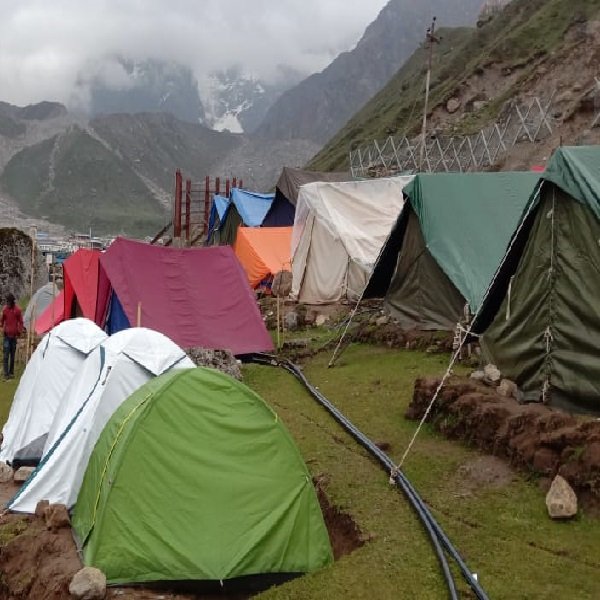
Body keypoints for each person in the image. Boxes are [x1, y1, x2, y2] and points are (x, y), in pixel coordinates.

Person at [1, 294, 24, 380]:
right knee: (6, 355)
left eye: (8, 301)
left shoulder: (17, 310)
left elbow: (21, 322)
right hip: (6, 336)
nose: (7, 303)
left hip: (14, 336)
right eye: (6, 301)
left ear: (12, 301)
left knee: (12, 356)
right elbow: (2, 321)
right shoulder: (5, 310)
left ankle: (11, 373)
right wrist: (1, 328)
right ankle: (6, 374)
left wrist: (19, 330)